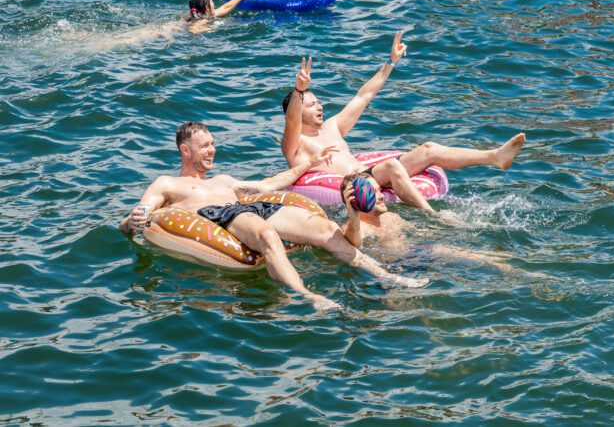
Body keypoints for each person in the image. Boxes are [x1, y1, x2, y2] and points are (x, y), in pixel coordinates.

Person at [121, 121, 427, 310]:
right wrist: (129, 223)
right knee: (267, 235)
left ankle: (385, 275)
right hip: (219, 215)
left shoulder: (224, 180)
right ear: (185, 151)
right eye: (204, 146)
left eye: (213, 144)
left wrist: (308, 165)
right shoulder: (167, 183)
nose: (212, 150)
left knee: (327, 229)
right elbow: (140, 213)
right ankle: (310, 297)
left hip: (251, 206)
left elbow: (267, 185)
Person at [281, 31, 526, 217]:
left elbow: (363, 96)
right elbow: (292, 122)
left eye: (318, 102)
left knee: (429, 148)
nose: (320, 107)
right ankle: (434, 215)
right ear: (296, 112)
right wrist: (298, 91)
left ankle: (495, 157)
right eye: (311, 105)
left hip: (372, 174)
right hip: (353, 183)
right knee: (391, 167)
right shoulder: (296, 144)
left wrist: (391, 62)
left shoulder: (333, 126)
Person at [340, 173, 515, 273]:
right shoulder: (355, 226)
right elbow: (354, 243)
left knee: (488, 259)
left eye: (379, 190)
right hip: (394, 268)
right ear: (356, 200)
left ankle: (518, 273)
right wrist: (354, 214)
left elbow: (420, 232)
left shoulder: (392, 217)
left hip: (421, 253)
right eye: (372, 193)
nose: (380, 196)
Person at [183, 0, 259, 33]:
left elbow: (225, 7)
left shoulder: (204, 14)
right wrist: (213, 26)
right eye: (211, 1)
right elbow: (194, 31)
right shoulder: (202, 21)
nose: (213, 4)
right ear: (207, 8)